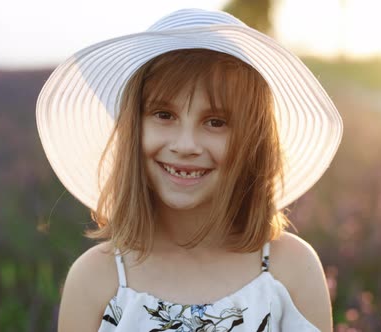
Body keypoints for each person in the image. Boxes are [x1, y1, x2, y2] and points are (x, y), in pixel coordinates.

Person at [36, 8, 343, 332]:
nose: (185, 144)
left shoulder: (290, 270)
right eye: (164, 115)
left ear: (253, 141)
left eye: (216, 122)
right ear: (133, 129)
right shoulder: (97, 281)